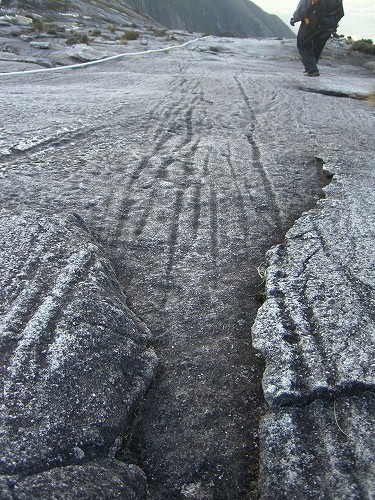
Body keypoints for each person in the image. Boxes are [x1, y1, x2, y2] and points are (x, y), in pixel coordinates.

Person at [290, 0, 344, 76]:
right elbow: (341, 12)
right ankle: (311, 66)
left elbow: (304, 7)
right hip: (328, 25)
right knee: (318, 45)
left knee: (303, 44)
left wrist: (295, 19)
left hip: (312, 23)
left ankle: (312, 70)